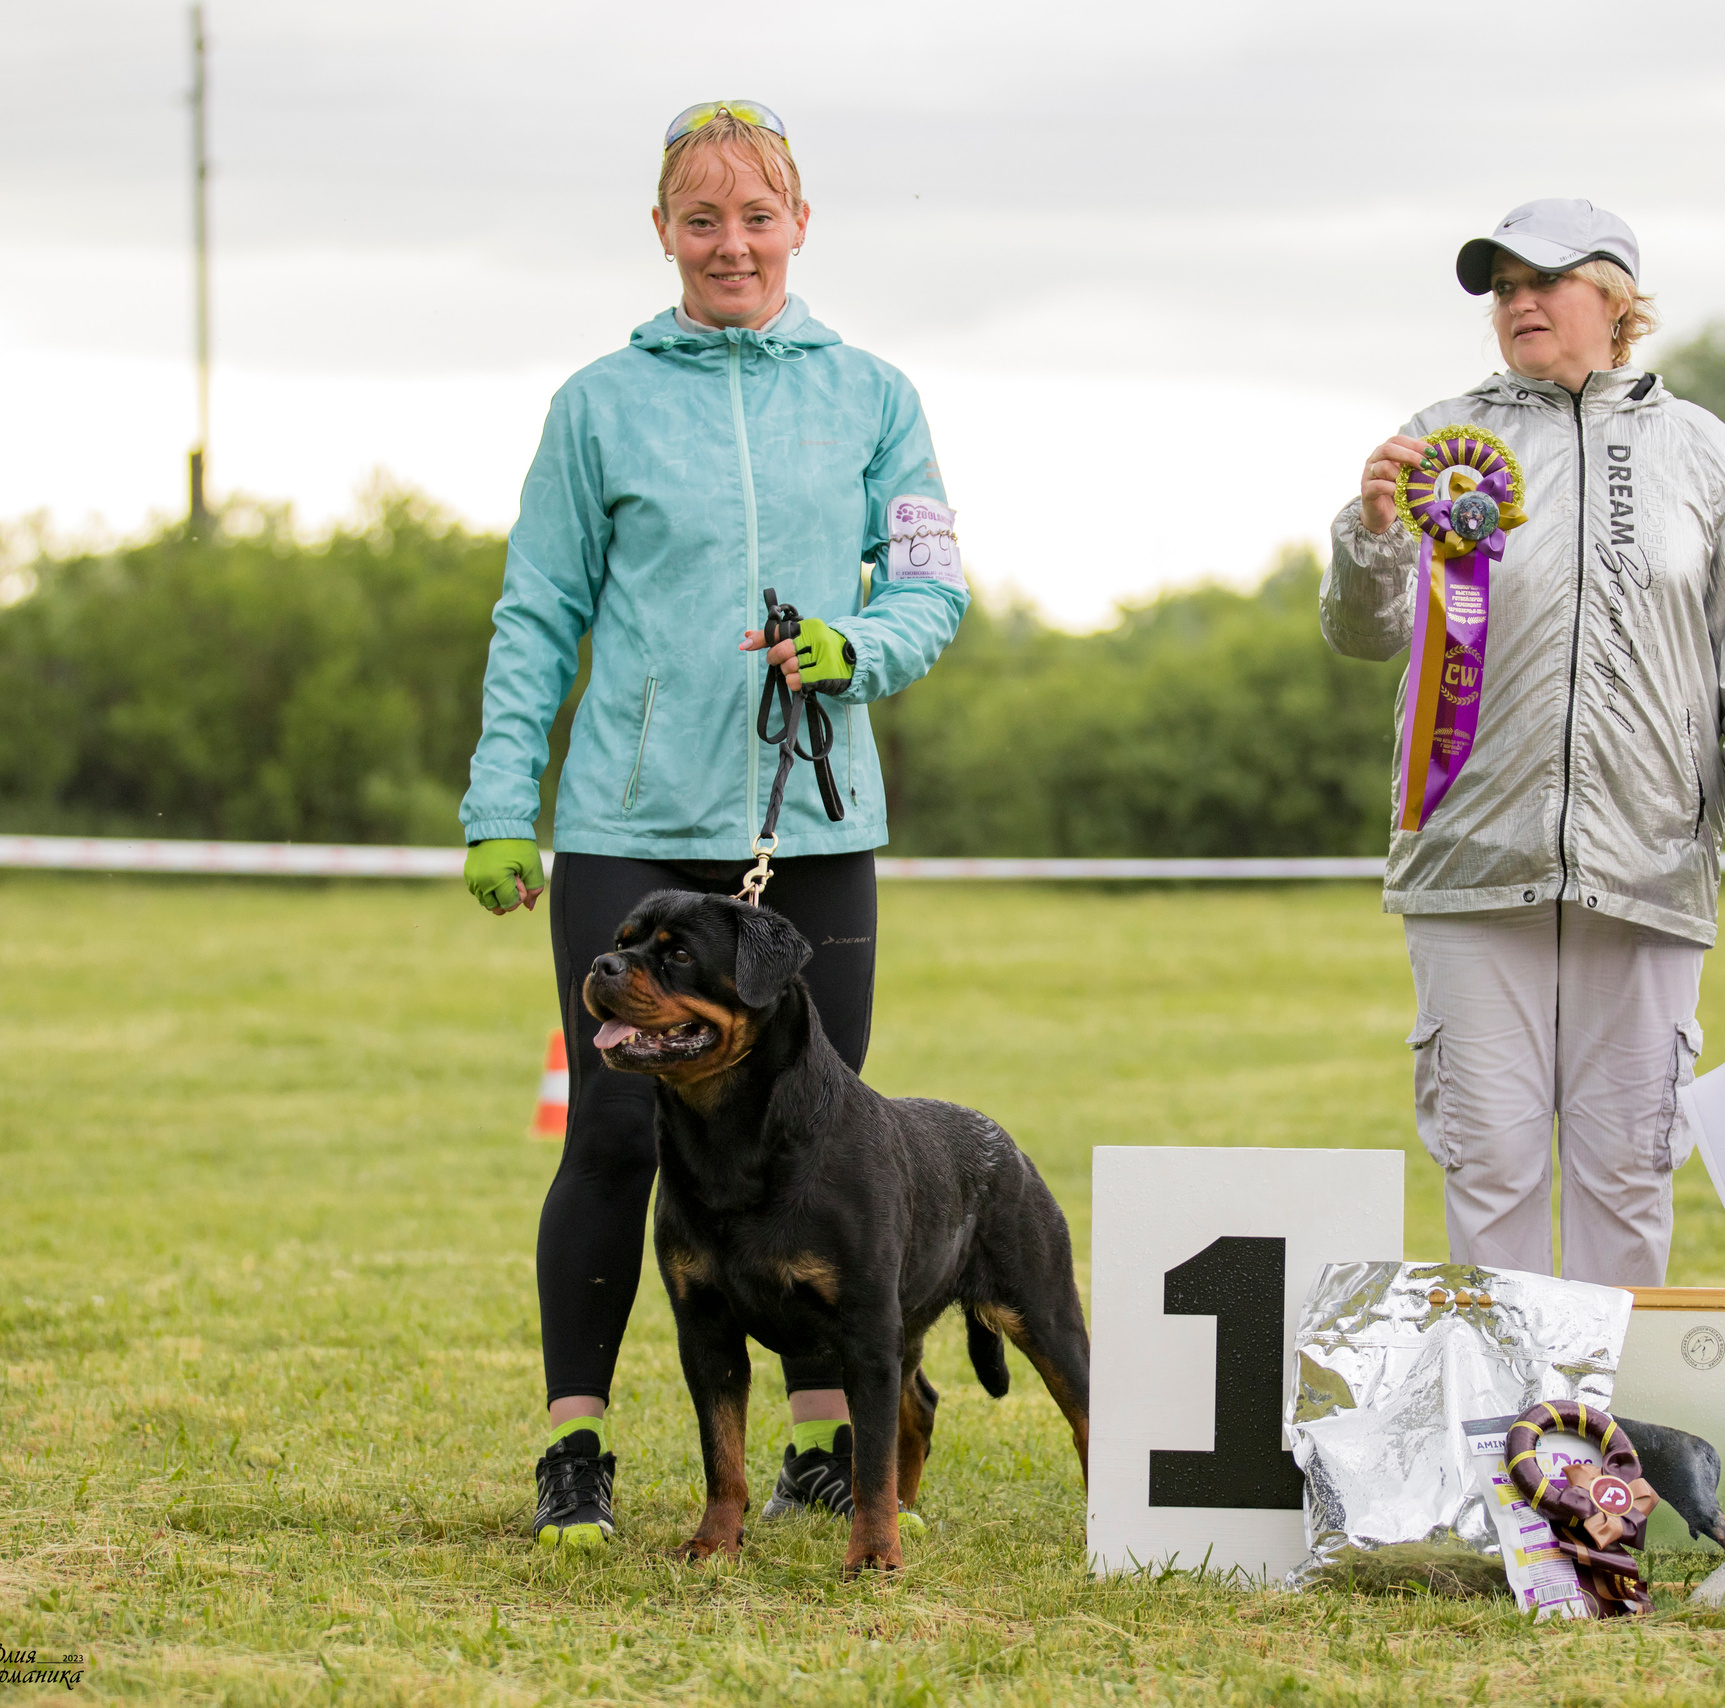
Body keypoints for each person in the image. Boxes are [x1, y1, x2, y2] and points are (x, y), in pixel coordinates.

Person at [456, 100, 968, 1551]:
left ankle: (822, 1447)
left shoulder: (875, 394)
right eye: (701, 218)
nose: (730, 242)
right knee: (616, 1133)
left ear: (799, 225)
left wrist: (857, 649)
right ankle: (577, 1448)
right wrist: (505, 806)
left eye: (756, 216)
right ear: (665, 232)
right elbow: (538, 614)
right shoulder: (598, 402)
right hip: (630, 824)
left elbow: (935, 586)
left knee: (827, 1135)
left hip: (814, 817)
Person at [1322, 198, 1725, 1287]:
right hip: (1469, 865)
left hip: (1647, 869)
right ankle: (1501, 1449)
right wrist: (1368, 538)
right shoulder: (1439, 441)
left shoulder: (1701, 451)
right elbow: (1363, 636)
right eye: (1501, 288)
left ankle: (1611, 1447)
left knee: (1626, 1175)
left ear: (1614, 299)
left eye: (1540, 282)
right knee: (1489, 1169)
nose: (1517, 303)